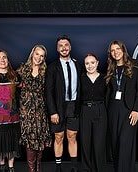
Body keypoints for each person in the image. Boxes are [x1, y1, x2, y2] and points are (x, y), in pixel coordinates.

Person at [105, 40, 138, 172]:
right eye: (112, 50)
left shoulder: (136, 65)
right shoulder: (111, 68)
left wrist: (136, 110)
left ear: (123, 50)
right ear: (110, 53)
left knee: (125, 143)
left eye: (118, 49)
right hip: (113, 109)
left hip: (129, 109)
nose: (115, 52)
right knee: (115, 143)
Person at [46, 35, 82, 172]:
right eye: (61, 46)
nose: (64, 48)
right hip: (58, 107)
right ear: (57, 49)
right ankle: (58, 167)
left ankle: (74, 167)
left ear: (70, 47)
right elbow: (48, 92)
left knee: (72, 136)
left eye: (66, 45)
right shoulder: (52, 67)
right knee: (59, 136)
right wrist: (52, 111)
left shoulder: (78, 65)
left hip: (73, 106)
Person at [17, 45, 52, 172]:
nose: (39, 57)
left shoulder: (46, 72)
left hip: (41, 112)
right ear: (32, 53)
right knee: (30, 142)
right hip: (27, 113)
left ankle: (38, 168)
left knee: (40, 140)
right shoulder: (22, 70)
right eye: (37, 54)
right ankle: (32, 169)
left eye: (42, 55)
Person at [0, 49, 21, 172]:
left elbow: (20, 95)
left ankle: (11, 167)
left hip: (13, 118)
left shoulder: (15, 76)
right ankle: (2, 166)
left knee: (11, 144)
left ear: (8, 60)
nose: (2, 60)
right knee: (0, 144)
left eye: (4, 57)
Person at [80, 53, 107, 172]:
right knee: (85, 143)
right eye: (87, 63)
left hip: (100, 111)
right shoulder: (81, 78)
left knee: (99, 143)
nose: (90, 66)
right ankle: (86, 169)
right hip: (85, 111)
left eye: (92, 63)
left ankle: (99, 169)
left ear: (97, 63)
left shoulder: (105, 78)